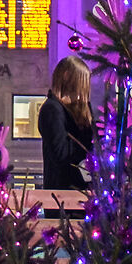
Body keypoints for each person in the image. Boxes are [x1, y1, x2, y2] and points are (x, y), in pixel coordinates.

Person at [36, 55, 93, 192]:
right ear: (67, 77)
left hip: (81, 190)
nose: (84, 88)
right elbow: (61, 154)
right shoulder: (52, 109)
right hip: (62, 192)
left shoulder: (76, 109)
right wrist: (86, 136)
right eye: (82, 81)